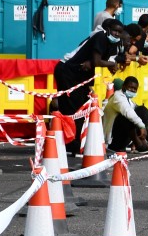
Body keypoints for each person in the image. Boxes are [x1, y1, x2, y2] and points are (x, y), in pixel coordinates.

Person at [54, 18, 128, 153]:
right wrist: (110, 64)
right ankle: (70, 144)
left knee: (82, 108)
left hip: (81, 76)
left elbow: (102, 61)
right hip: (68, 72)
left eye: (119, 32)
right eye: (115, 31)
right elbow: (97, 60)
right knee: (72, 109)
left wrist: (109, 64)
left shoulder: (112, 44)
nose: (117, 34)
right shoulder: (100, 37)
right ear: (108, 30)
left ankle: (77, 141)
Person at [103, 76, 148, 152]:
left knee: (142, 110)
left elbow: (137, 114)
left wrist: (142, 127)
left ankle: (144, 141)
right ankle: (141, 143)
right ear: (123, 86)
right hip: (111, 140)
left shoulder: (128, 99)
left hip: (124, 138)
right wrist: (142, 127)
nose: (132, 90)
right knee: (127, 118)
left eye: (134, 89)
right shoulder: (118, 97)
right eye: (130, 87)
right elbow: (128, 112)